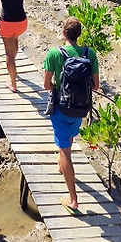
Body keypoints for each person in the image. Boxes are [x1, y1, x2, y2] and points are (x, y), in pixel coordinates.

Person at [43, 16, 99, 213]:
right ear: (79, 35)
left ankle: (73, 199)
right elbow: (96, 85)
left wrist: (57, 87)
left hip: (61, 107)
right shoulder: (89, 53)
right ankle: (62, 166)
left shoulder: (53, 53)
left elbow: (47, 85)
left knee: (65, 150)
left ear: (64, 33)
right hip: (81, 108)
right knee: (68, 140)